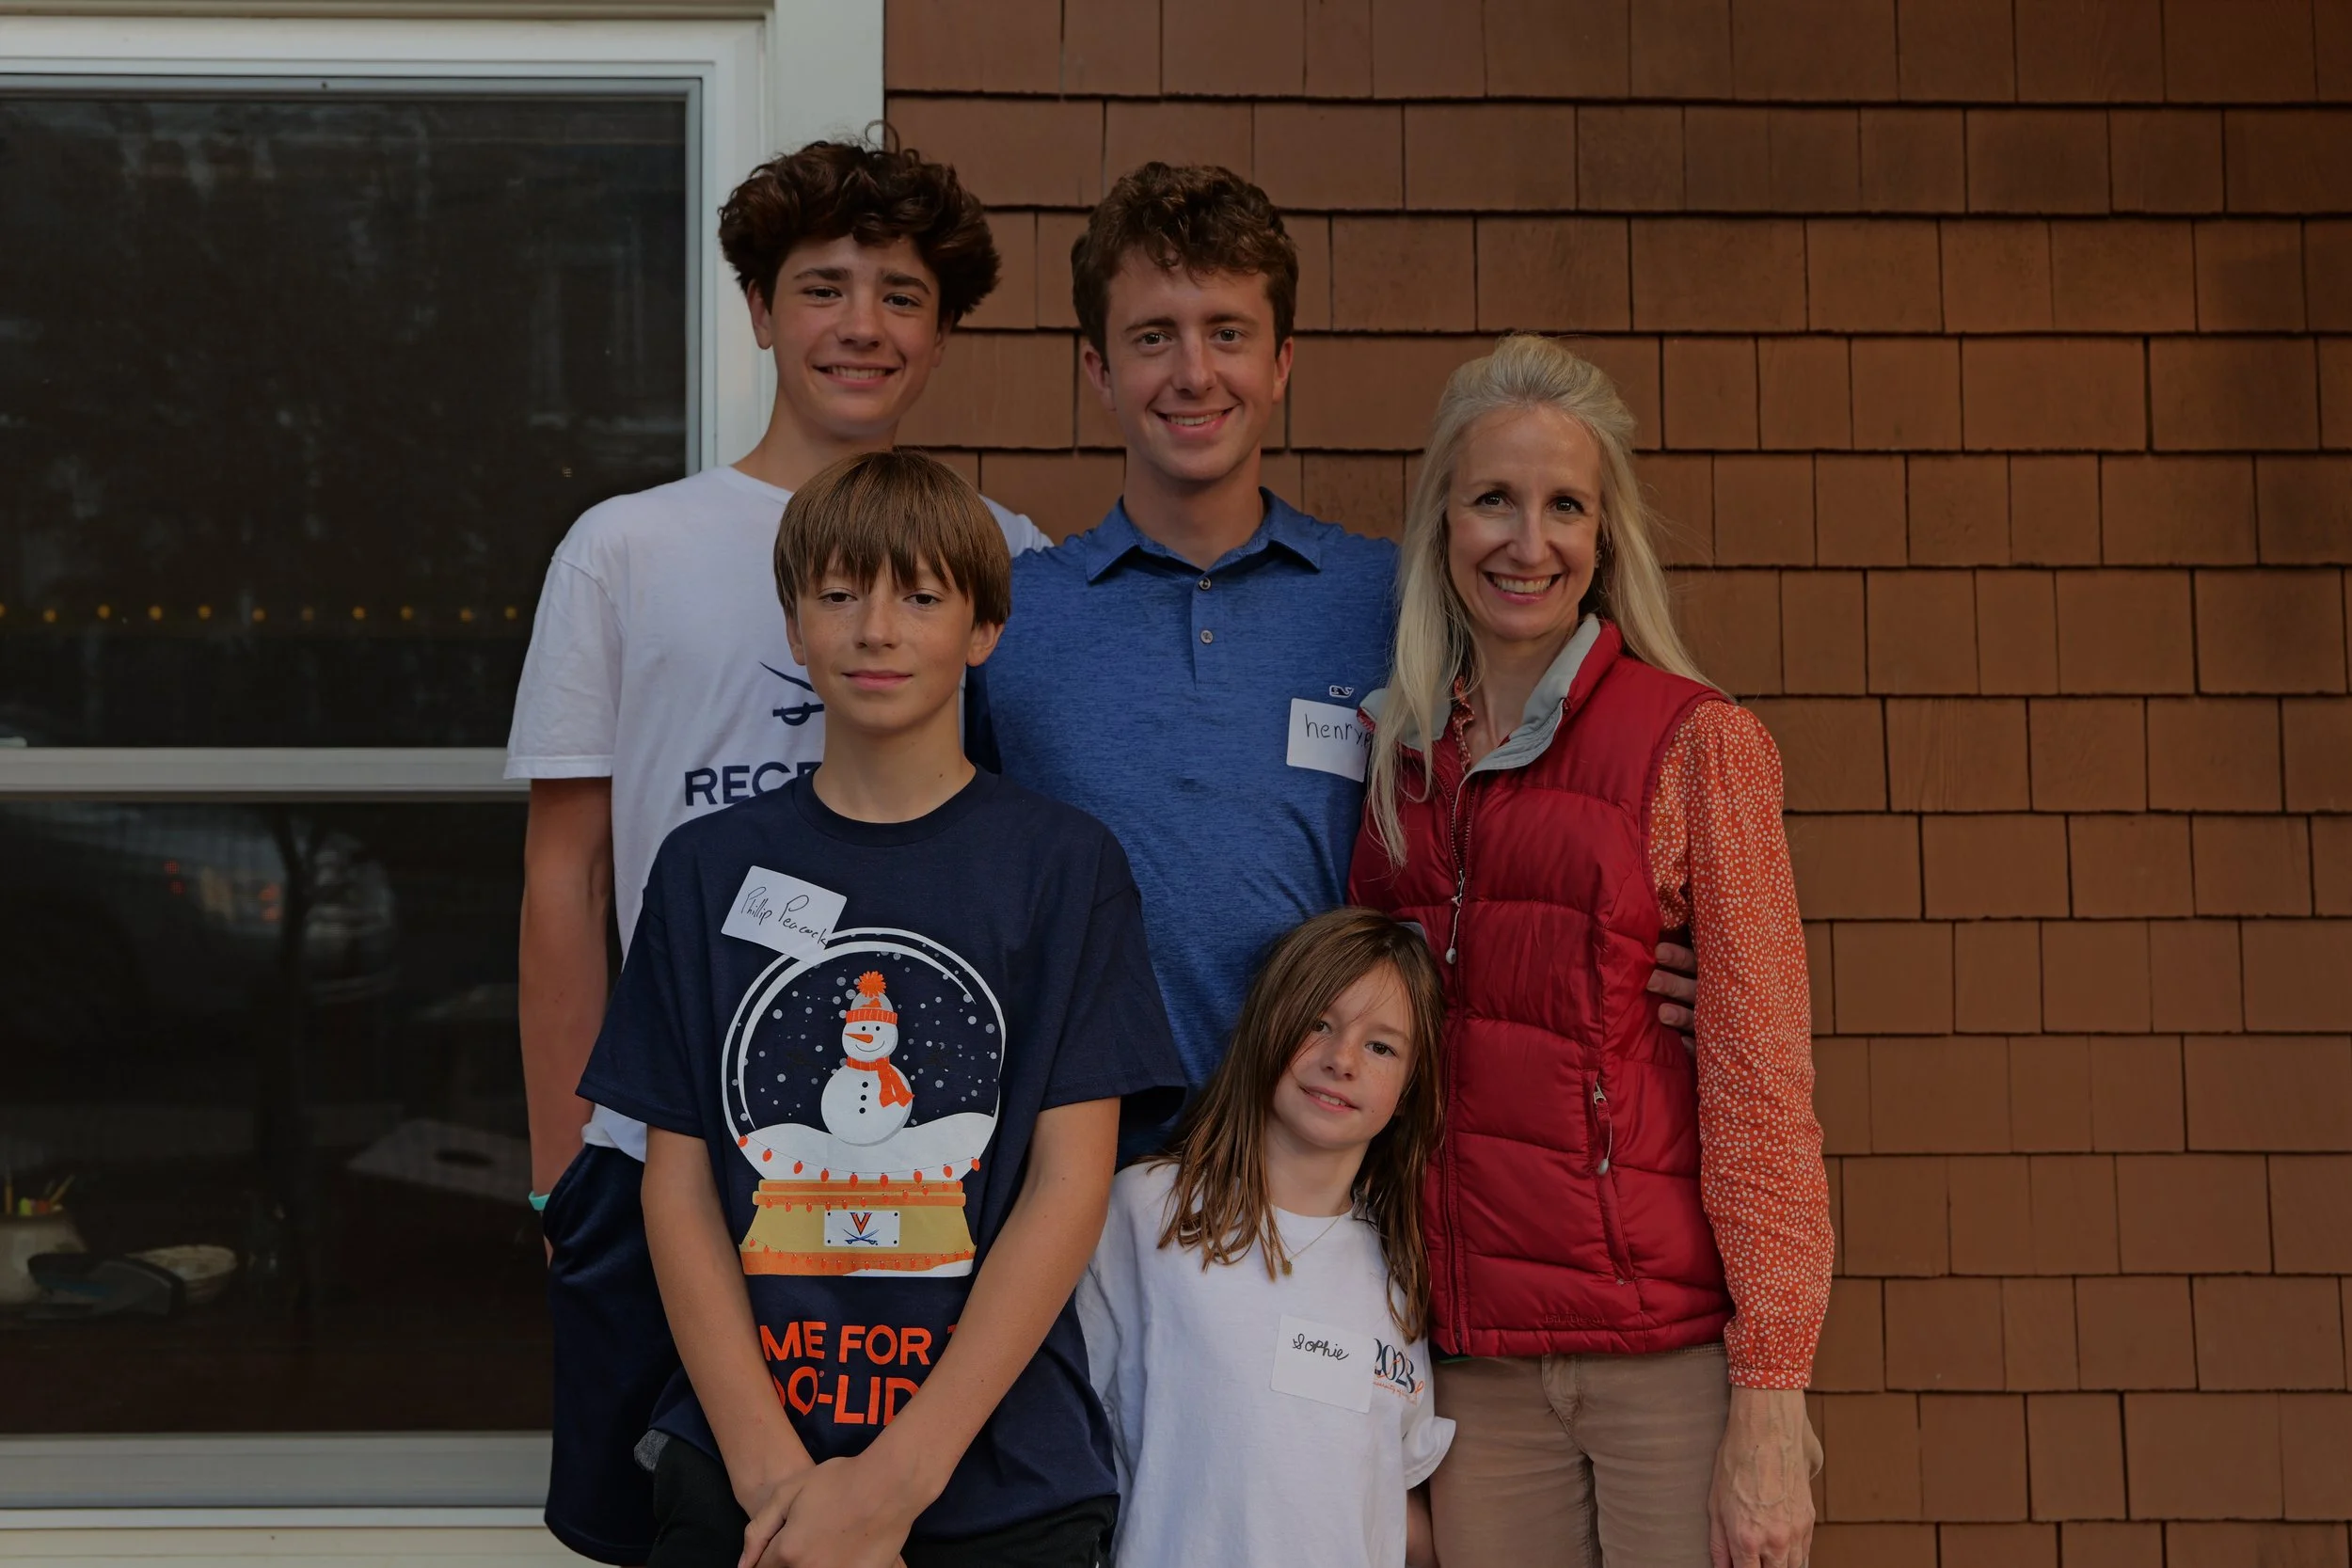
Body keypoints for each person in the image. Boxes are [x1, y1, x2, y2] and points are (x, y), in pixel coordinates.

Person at [507, 139, 1048, 1564]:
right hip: (660, 1148)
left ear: (941, 331)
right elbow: (565, 873)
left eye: (901, 294)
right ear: (757, 308)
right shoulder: (627, 547)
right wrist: (567, 1160)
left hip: (905, 1183)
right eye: (821, 288)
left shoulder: (1004, 552)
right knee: (680, 1521)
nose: (861, 324)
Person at [973, 164, 1696, 1135]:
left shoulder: (1401, 599)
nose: (1194, 373)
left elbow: (1551, 796)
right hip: (1090, 1185)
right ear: (1098, 370)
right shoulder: (1011, 621)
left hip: (1341, 1182)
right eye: (1153, 338)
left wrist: (1667, 952)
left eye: (1228, 333)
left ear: (1280, 363)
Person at [577, 450, 1185, 1568]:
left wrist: (896, 1482)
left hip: (997, 1463)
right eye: (840, 592)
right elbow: (677, 1182)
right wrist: (776, 1481)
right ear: (796, 624)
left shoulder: (1061, 867)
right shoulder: (708, 868)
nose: (876, 629)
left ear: (983, 628)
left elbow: (1068, 1179)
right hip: (748, 1469)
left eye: (920, 594)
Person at [1348, 334, 1833, 1568]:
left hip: (1662, 1358)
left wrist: (1772, 1389)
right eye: (1493, 499)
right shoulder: (1402, 761)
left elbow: (1760, 1078)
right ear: (1442, 521)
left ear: (1607, 534)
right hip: (1478, 1368)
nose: (1528, 539)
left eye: (1566, 504)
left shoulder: (1696, 745)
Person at [1078, 908, 1454, 1568]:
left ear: (1411, 1083)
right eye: (1318, 1023)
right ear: (1267, 1023)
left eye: (1381, 1046)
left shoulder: (1401, 1266)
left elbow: (1393, 1501)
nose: (1341, 1060)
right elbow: (1068, 1440)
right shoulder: (1148, 1211)